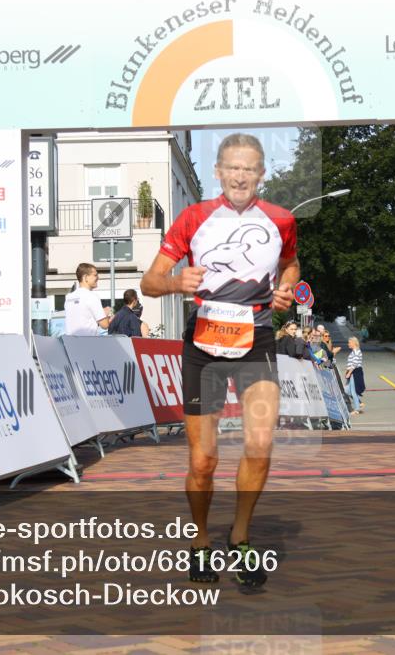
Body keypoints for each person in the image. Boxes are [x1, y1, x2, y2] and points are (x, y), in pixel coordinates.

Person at [141, 132, 298, 588]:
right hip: (204, 346)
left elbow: (290, 265)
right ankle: (200, 540)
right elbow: (150, 281)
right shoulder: (193, 218)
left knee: (260, 446)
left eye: (249, 168)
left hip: (258, 340)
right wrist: (175, 283)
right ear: (218, 172)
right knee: (203, 461)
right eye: (232, 167)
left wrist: (286, 289)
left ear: (261, 174)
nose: (240, 176)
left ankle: (241, 537)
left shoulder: (282, 220)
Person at [64, 263, 112, 336]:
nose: (98, 278)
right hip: (88, 344)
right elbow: (105, 325)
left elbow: (83, 320)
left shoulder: (69, 297)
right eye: (95, 275)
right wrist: (108, 314)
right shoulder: (92, 296)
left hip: (70, 344)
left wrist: (101, 314)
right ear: (85, 277)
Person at [345, 336, 366, 413]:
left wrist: (349, 373)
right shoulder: (353, 352)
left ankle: (357, 409)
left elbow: (354, 364)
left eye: (349, 342)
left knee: (353, 391)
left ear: (354, 343)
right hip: (352, 372)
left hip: (355, 372)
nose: (348, 344)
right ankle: (359, 403)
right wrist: (347, 372)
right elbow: (350, 364)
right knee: (346, 390)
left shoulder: (357, 352)